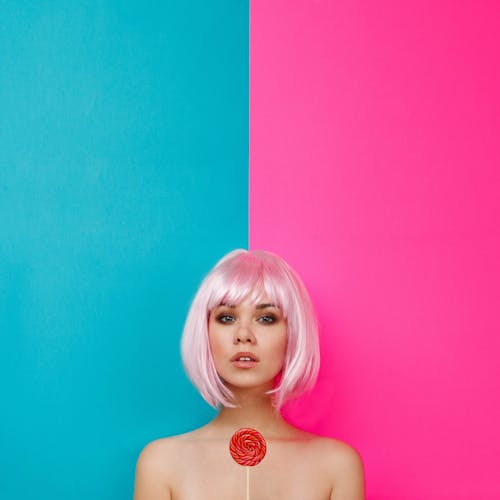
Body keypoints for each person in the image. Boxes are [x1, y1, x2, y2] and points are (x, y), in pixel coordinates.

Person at [134, 249, 365, 499]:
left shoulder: (337, 466)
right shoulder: (160, 463)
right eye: (227, 317)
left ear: (292, 334)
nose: (243, 334)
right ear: (205, 332)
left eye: (266, 318)